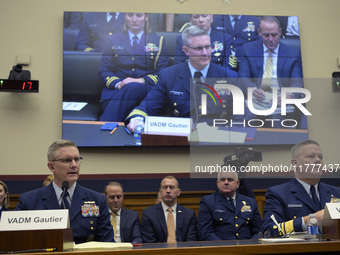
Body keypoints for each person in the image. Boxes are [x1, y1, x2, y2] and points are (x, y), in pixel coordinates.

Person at [126, 25, 238, 132]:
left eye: (208, 47)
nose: (205, 53)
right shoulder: (169, 75)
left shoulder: (230, 77)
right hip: (181, 138)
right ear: (186, 50)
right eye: (199, 48)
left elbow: (241, 116)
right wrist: (137, 119)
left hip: (217, 138)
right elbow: (148, 105)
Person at [16, 140, 114, 244]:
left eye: (76, 159)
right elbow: (17, 242)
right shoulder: (29, 202)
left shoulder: (97, 200)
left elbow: (107, 243)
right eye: (67, 160)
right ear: (51, 166)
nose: (74, 165)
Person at [98, 12, 170, 122]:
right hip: (115, 92)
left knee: (132, 86)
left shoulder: (158, 40)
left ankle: (104, 127)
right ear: (125, 17)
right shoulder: (113, 39)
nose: (134, 19)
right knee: (130, 89)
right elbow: (104, 70)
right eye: (130, 15)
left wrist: (140, 80)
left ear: (146, 17)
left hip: (145, 92)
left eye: (139, 15)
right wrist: (118, 84)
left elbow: (163, 72)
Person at [261, 140, 340, 237]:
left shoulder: (336, 192)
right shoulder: (278, 193)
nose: (318, 160)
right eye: (311, 156)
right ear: (295, 163)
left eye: (320, 157)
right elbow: (269, 230)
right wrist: (311, 219)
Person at [238, 16, 303, 128]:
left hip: (280, 103)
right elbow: (243, 77)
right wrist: (253, 90)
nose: (271, 39)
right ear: (259, 32)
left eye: (274, 35)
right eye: (266, 35)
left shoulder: (293, 52)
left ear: (280, 32)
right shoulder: (248, 49)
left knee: (277, 122)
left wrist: (289, 94)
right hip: (257, 100)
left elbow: (297, 82)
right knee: (247, 118)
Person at [198, 171, 261, 240]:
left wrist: (250, 246)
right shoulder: (208, 202)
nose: (226, 182)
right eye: (222, 180)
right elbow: (205, 233)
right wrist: (226, 248)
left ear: (237, 183)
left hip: (247, 247)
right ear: (217, 183)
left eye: (230, 180)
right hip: (221, 248)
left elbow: (258, 230)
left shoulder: (250, 202)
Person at [141, 176, 198, 243]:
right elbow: (150, 242)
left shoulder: (189, 214)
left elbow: (191, 241)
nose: (168, 191)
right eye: (165, 187)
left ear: (178, 192)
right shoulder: (149, 213)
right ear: (160, 192)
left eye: (172, 187)